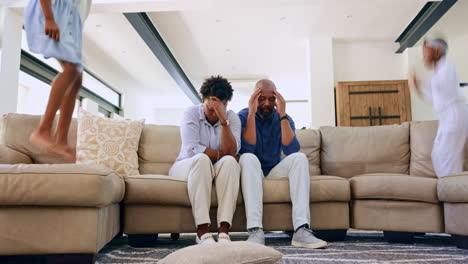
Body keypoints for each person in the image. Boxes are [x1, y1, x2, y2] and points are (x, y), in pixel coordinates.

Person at [238, 79, 327, 249]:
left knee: (299, 158)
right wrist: (251, 113)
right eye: (261, 99)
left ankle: (301, 230)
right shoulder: (243, 116)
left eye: (271, 99)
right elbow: (247, 148)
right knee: (248, 157)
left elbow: (291, 149)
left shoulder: (283, 117)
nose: (266, 103)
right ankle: (255, 231)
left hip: (273, 172)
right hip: (252, 171)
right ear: (253, 98)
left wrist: (283, 114)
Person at [169, 76, 241, 244]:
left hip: (215, 167)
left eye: (218, 107)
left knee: (230, 163)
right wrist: (220, 155)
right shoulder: (191, 113)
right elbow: (192, 148)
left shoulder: (232, 118)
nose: (213, 113)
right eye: (210, 108)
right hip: (187, 165)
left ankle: (224, 230)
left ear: (226, 104)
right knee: (201, 158)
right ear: (203, 100)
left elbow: (231, 152)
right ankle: (202, 230)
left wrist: (224, 122)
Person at [25, 0, 92, 161]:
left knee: (77, 78)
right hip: (52, 11)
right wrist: (49, 17)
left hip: (68, 17)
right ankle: (43, 130)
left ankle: (61, 140)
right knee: (71, 68)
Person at [410, 38, 468, 178]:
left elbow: (441, 93)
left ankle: (453, 195)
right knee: (438, 154)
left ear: (437, 51)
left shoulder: (448, 68)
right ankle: (450, 192)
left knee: (448, 158)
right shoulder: (436, 74)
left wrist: (420, 87)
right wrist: (417, 86)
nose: (423, 56)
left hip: (454, 116)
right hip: (446, 117)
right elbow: (430, 97)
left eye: (426, 52)